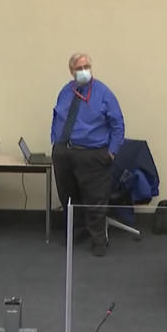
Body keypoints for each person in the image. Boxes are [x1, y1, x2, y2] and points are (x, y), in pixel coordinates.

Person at [50, 53, 125, 257]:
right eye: (79, 67)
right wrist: (55, 144)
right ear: (71, 71)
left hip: (92, 154)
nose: (83, 71)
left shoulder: (103, 92)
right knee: (69, 198)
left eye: (87, 66)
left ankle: (99, 240)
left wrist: (111, 153)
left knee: (95, 201)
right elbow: (57, 116)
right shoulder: (66, 91)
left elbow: (118, 124)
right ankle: (75, 234)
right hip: (65, 153)